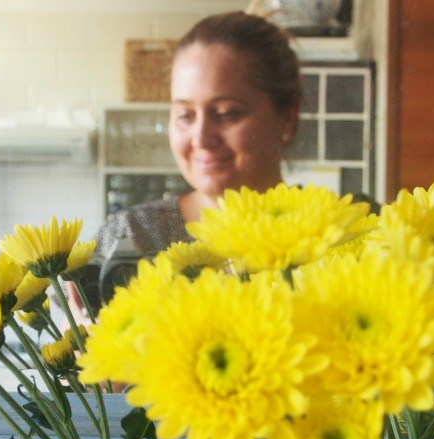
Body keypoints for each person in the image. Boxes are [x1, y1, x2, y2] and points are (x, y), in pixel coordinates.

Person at [68, 11, 303, 319]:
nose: (201, 138)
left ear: (286, 118)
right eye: (185, 115)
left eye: (227, 113)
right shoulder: (130, 237)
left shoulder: (333, 237)